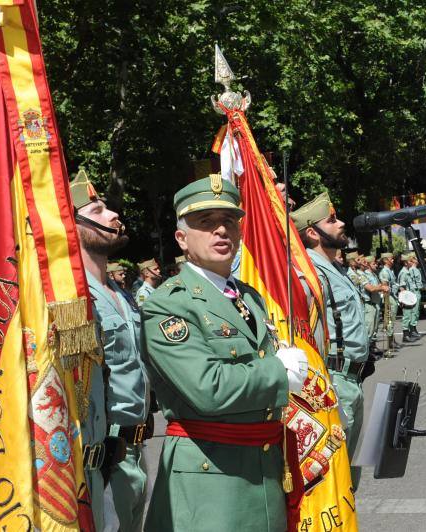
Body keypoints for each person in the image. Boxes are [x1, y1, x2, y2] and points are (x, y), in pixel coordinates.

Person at [142, 176, 308, 531]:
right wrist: (278, 372)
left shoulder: (249, 297)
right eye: (206, 222)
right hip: (211, 476)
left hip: (262, 468)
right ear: (182, 239)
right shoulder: (169, 305)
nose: (221, 230)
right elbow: (208, 389)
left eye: (229, 221)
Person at [71, 170, 151, 532]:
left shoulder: (121, 294)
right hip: (105, 453)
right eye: (99, 209)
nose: (113, 215)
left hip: (137, 448)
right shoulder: (75, 297)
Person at [292, 191, 368, 489]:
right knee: (334, 478)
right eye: (332, 220)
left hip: (352, 379)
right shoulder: (310, 272)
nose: (342, 223)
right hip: (334, 379)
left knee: (348, 477)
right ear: (312, 233)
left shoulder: (334, 268)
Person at [377, 253, 400, 351]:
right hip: (388, 297)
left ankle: (392, 340)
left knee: (391, 319)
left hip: (393, 296)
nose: (393, 260)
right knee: (389, 319)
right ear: (386, 260)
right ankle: (390, 342)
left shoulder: (389, 270)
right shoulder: (385, 272)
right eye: (391, 259)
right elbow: (385, 287)